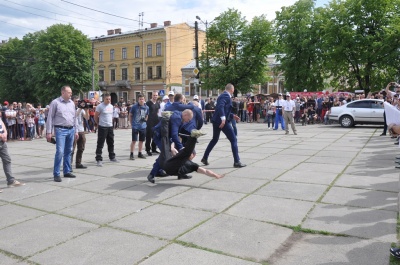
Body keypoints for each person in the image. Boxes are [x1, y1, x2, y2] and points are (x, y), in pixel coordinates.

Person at [200, 83, 246, 168]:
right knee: (233, 139)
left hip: (216, 121)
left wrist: (232, 116)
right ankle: (237, 161)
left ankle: (204, 157)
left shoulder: (223, 95)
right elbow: (221, 107)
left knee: (214, 139)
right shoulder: (226, 96)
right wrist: (223, 119)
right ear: (232, 90)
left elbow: (224, 109)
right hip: (222, 122)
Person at [46, 85, 78, 182]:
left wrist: (76, 131)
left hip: (71, 129)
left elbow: (75, 117)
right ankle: (56, 173)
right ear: (63, 92)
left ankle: (67, 171)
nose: (71, 94)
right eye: (69, 92)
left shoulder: (72, 103)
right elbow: (50, 117)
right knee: (60, 152)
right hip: (60, 130)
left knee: (69, 151)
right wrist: (49, 132)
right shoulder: (55, 103)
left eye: (71, 93)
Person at [0, 118, 25, 192]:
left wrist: (5, 133)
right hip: (1, 138)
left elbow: (1, 122)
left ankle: (11, 181)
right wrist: (1, 135)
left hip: (2, 142)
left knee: (7, 160)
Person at [95, 93, 119, 167]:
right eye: (107, 99)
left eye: (109, 99)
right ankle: (99, 159)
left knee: (111, 142)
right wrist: (98, 124)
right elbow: (96, 116)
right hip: (102, 127)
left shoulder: (111, 106)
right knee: (100, 143)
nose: (108, 100)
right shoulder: (100, 106)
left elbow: (111, 116)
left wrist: (111, 124)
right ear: (104, 99)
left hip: (110, 127)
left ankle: (112, 157)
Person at [129, 94, 148, 160]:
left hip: (143, 126)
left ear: (144, 99)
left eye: (142, 99)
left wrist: (146, 119)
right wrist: (131, 123)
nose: (141, 100)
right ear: (138, 99)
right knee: (134, 140)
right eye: (140, 99)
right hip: (135, 126)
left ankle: (140, 153)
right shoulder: (134, 107)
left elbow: (147, 115)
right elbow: (130, 115)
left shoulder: (146, 107)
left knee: (141, 141)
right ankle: (131, 154)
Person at [72, 97, 89, 169]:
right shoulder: (71, 108)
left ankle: (78, 163)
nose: (77, 102)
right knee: (71, 149)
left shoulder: (81, 109)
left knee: (81, 147)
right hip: (73, 131)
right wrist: (80, 108)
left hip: (81, 130)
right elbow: (75, 115)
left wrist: (86, 109)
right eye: (75, 101)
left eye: (78, 101)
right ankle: (68, 164)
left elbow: (87, 118)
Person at [145, 91, 160, 156]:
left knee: (155, 136)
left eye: (156, 95)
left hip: (156, 121)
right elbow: (145, 112)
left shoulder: (157, 103)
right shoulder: (148, 103)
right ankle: (148, 149)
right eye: (154, 95)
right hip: (149, 121)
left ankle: (154, 149)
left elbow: (157, 112)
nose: (155, 96)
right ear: (152, 96)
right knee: (148, 136)